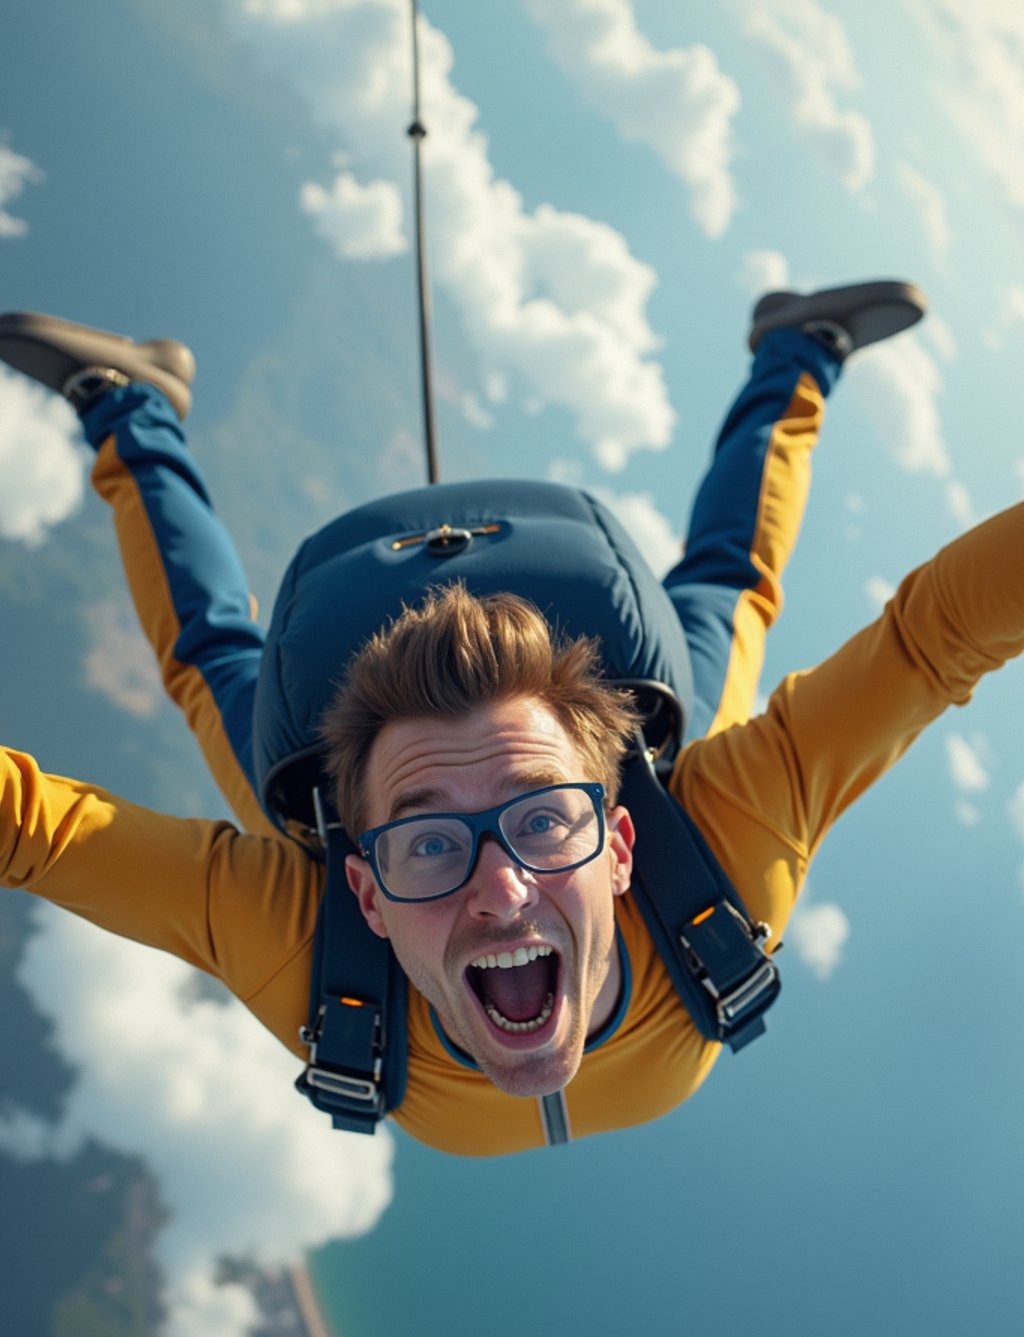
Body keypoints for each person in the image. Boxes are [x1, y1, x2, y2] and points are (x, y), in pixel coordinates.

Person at [7, 279, 1009, 1159]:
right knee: (724, 589)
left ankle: (130, 404)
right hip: (632, 737)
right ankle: (797, 350)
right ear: (365, 890)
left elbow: (34, 830)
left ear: (620, 844)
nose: (498, 888)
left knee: (220, 668)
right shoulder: (729, 848)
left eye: (537, 816)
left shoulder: (297, 944)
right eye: (433, 836)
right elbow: (929, 645)